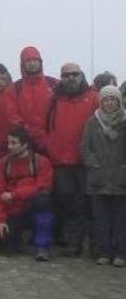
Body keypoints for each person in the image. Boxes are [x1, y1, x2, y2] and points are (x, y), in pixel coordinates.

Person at [47, 63, 97, 256]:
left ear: (81, 75)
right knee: (68, 204)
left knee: (90, 204)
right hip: (61, 162)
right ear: (61, 78)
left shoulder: (94, 98)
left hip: (86, 162)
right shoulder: (54, 100)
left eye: (75, 74)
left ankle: (95, 244)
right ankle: (72, 243)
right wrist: (50, 148)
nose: (71, 78)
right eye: (66, 75)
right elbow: (46, 126)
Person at [0, 127, 54, 261]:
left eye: (14, 143)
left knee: (43, 201)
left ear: (25, 144)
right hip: (13, 210)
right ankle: (17, 240)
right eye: (8, 142)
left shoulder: (41, 162)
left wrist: (15, 194)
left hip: (32, 206)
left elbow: (43, 186)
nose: (9, 146)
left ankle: (42, 247)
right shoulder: (3, 164)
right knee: (3, 241)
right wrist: (0, 220)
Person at [80, 85, 126, 266]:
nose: (109, 103)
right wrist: (93, 164)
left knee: (121, 220)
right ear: (101, 102)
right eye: (106, 99)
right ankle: (103, 252)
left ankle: (121, 253)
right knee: (101, 219)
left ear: (119, 101)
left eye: (113, 99)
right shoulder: (92, 122)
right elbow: (85, 147)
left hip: (121, 179)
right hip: (98, 179)